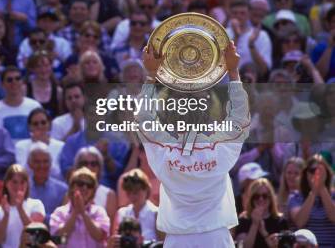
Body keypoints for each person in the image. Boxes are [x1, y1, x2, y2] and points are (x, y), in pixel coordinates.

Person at [136, 41, 249, 247]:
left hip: (177, 240)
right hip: (216, 239)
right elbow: (239, 118)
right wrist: (233, 72)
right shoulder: (220, 149)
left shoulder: (164, 152)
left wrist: (151, 75)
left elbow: (143, 119)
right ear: (208, 118)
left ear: (171, 120)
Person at [50, 167, 110, 248]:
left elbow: (99, 237)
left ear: (93, 190)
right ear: (72, 187)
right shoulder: (60, 212)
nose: (85, 188)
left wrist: (83, 213)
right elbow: (59, 238)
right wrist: (75, 213)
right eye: (80, 184)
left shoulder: (99, 211)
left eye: (89, 185)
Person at [0, 164, 46, 248]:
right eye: (14, 182)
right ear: (6, 183)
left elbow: (35, 233)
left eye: (22, 182)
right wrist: (6, 215)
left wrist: (20, 208)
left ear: (27, 184)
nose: (18, 186)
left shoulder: (36, 204)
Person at [288, 154, 335, 247]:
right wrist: (314, 191)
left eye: (320, 171)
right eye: (312, 171)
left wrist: (322, 188)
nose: (316, 174)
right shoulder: (295, 197)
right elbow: (300, 222)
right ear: (306, 174)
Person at [0, 66, 41, 141]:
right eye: (9, 80)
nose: (14, 82)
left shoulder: (34, 106)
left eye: (17, 79)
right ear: (2, 84)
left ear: (22, 82)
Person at [235, 178, 289, 248]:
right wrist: (255, 224)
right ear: (251, 199)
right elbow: (244, 246)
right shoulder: (243, 219)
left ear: (270, 198)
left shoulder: (281, 221)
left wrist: (264, 233)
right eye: (256, 196)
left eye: (265, 196)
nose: (261, 199)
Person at [15, 108, 64, 180]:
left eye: (43, 123)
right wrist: (35, 146)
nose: (40, 126)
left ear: (49, 125)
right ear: (29, 127)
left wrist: (43, 147)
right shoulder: (20, 145)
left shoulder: (61, 146)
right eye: (35, 124)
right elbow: (22, 172)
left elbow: (59, 175)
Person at [113, 169, 159, 241]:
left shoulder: (156, 213)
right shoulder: (121, 213)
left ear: (146, 189)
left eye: (136, 192)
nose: (132, 196)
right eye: (129, 192)